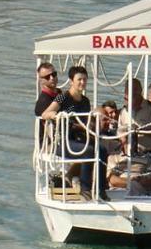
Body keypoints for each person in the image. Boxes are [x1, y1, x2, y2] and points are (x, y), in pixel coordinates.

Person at [40, 65, 103, 199]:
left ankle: (100, 189)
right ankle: (85, 188)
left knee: (102, 149)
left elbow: (85, 123)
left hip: (79, 139)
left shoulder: (85, 101)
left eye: (85, 79)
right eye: (79, 79)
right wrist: (57, 115)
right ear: (71, 81)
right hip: (62, 142)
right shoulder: (62, 98)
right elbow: (46, 113)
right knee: (89, 151)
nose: (82, 82)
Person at [34, 62, 59, 145]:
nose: (52, 78)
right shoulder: (43, 101)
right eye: (47, 77)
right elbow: (50, 129)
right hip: (50, 145)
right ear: (41, 80)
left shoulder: (60, 94)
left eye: (54, 74)